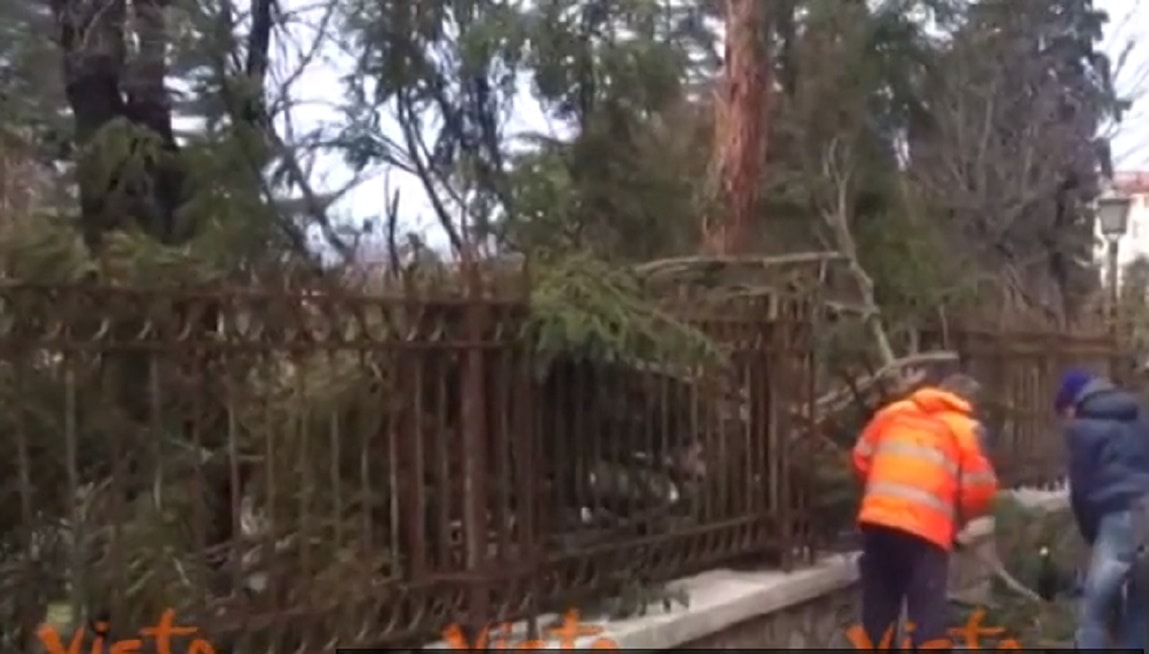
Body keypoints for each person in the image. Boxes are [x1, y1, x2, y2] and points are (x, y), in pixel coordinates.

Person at [852, 373, 998, 648]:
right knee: (926, 612)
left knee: (879, 607)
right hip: (926, 531)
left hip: (878, 522)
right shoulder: (966, 429)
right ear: (968, 403)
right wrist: (961, 519)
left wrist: (884, 492)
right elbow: (979, 489)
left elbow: (861, 457)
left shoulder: (893, 413)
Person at [1055, 368, 1149, 650]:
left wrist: (1090, 533)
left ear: (1072, 405)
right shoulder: (1138, 419)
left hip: (1119, 517)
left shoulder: (1082, 430)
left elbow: (1082, 490)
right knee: (1140, 608)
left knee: (1093, 612)